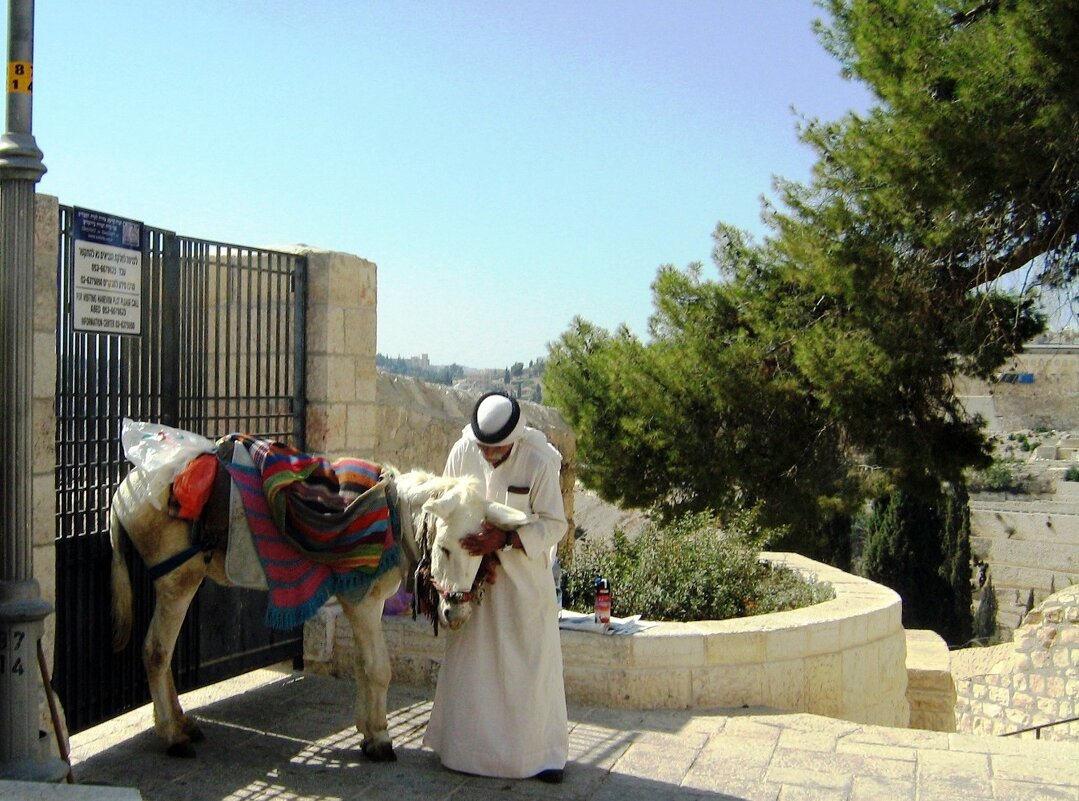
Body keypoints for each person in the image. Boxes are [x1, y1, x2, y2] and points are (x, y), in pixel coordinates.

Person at [422, 391, 569, 783]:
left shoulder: (539, 459)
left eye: (497, 449)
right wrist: (475, 554)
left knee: (528, 668)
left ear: (515, 438)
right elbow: (446, 507)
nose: (488, 456)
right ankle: (464, 752)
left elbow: (555, 524)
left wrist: (503, 542)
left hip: (523, 583)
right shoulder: (462, 451)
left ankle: (541, 757)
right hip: (472, 580)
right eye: (484, 448)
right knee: (474, 668)